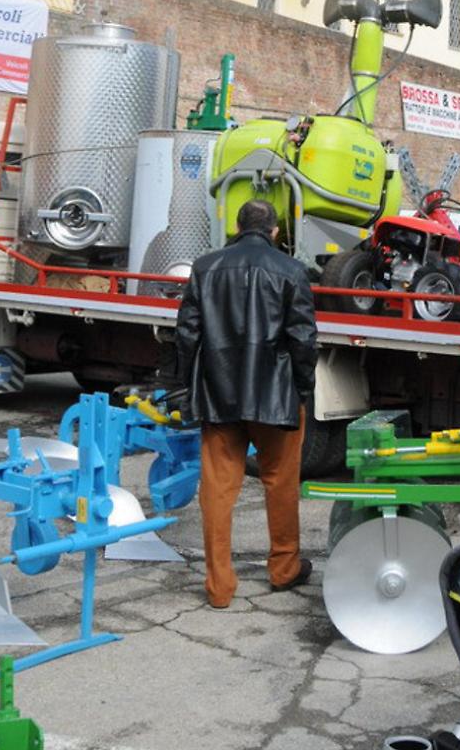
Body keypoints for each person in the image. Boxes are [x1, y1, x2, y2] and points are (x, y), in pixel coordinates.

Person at [174, 197, 318, 609]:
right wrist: (302, 389)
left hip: (219, 393)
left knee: (217, 490)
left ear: (236, 228)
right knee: (281, 482)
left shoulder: (205, 267)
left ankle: (219, 587)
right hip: (275, 393)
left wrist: (185, 385)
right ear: (274, 231)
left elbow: (186, 333)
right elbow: (303, 338)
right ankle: (284, 568)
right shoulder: (291, 270)